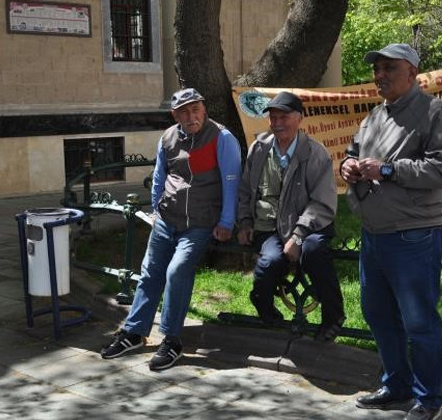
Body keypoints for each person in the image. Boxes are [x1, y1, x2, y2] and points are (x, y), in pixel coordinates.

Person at [339, 44, 442, 420]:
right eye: (377, 69)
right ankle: (397, 384)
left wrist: (388, 170)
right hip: (374, 233)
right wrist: (347, 166)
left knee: (419, 322)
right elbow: (352, 150)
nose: (380, 75)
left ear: (412, 73)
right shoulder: (375, 115)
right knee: (378, 315)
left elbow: (441, 170)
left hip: (413, 235)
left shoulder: (435, 112)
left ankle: (428, 399)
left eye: (389, 68)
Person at [100, 88, 241, 371]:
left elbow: (231, 183)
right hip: (166, 219)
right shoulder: (168, 137)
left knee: (176, 271)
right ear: (175, 115)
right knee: (150, 272)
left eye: (195, 109)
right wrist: (156, 209)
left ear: (204, 109)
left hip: (200, 223)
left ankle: (172, 340)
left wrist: (227, 222)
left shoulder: (222, 138)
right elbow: (159, 176)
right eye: (184, 112)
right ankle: (134, 332)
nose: (191, 116)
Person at [237, 91, 345, 342]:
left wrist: (297, 236)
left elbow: (322, 203)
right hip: (269, 226)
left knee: (314, 252)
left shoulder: (315, 153)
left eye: (283, 117)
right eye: (273, 117)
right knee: (270, 262)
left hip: (309, 226)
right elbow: (245, 190)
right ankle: (263, 305)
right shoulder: (259, 148)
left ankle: (333, 316)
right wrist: (244, 221)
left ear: (299, 118)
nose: (277, 123)